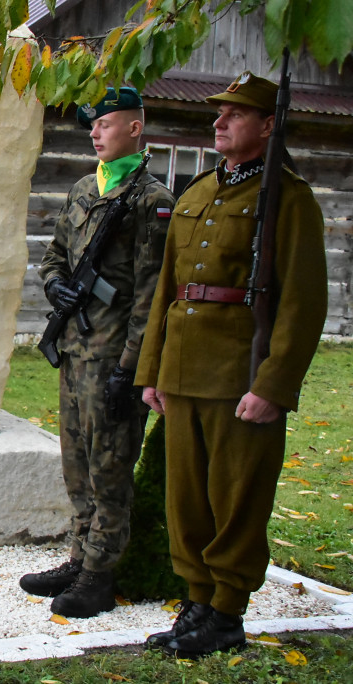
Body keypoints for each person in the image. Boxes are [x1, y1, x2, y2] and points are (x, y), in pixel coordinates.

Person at [136, 72, 328, 658]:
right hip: (184, 371)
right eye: (218, 113)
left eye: (235, 114)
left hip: (240, 374)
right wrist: (152, 372)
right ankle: (197, 599)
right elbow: (167, 290)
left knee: (236, 498)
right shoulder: (196, 194)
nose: (218, 122)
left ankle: (226, 612)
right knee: (187, 500)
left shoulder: (287, 199)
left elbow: (303, 300)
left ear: (268, 126)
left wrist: (273, 384)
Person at [19, 87, 175, 618]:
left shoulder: (152, 200)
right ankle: (79, 556)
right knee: (77, 465)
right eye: (93, 125)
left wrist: (130, 370)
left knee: (110, 470)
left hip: (113, 359)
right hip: (74, 350)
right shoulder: (87, 187)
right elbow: (56, 255)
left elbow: (152, 298)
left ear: (134, 128)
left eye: (105, 123)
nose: (94, 132)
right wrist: (56, 286)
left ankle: (100, 575)